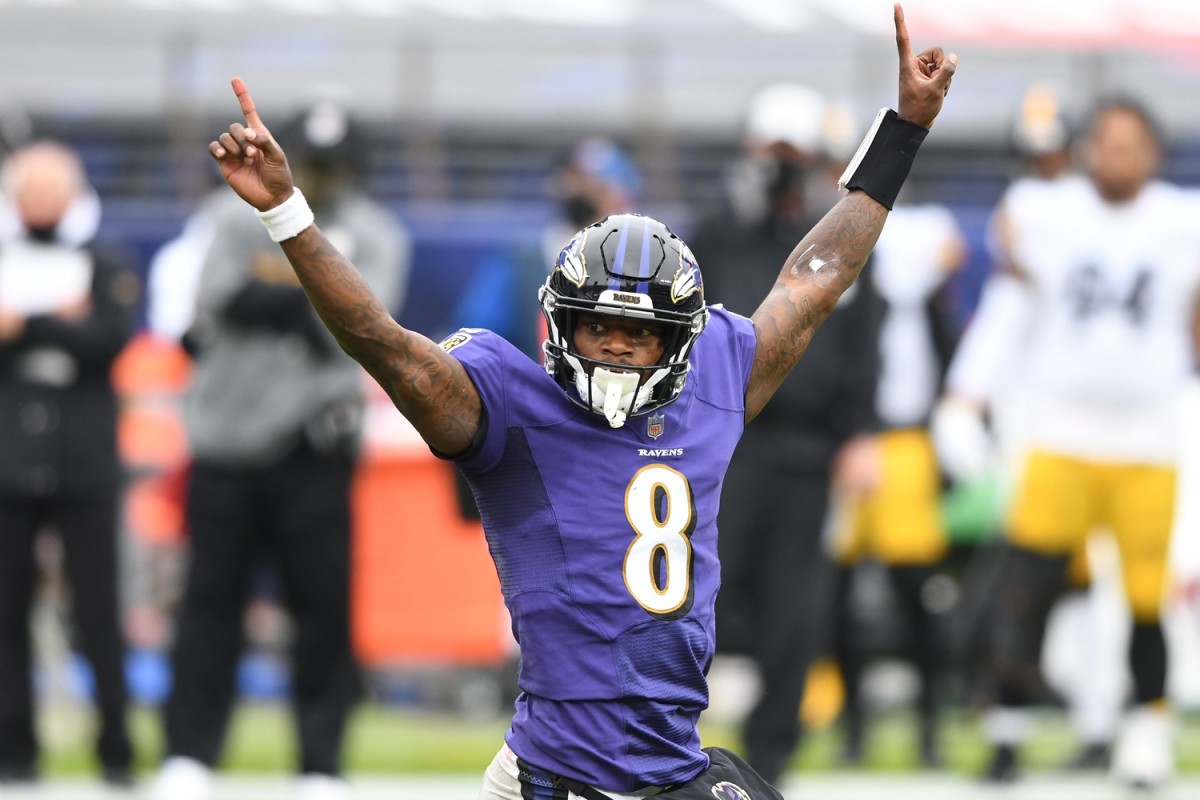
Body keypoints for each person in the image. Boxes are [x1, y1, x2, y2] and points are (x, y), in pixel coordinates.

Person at [203, 6, 953, 796]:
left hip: (665, 762)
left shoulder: (718, 380)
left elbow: (817, 277)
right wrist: (288, 215)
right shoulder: (509, 406)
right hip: (559, 772)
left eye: (642, 330)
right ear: (560, 324)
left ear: (680, 340)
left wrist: (904, 128)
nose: (621, 346)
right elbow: (383, 343)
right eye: (599, 327)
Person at [931, 96, 1195, 789]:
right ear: (1086, 150)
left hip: (1148, 438)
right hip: (1061, 432)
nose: (1118, 157)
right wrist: (967, 394)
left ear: (1155, 154)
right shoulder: (1044, 213)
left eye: (1132, 144)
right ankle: (1007, 734)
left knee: (1145, 597)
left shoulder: (1182, 220)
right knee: (1027, 589)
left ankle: (1147, 736)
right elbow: (1009, 305)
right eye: (1107, 143)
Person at [149, 100, 410, 800]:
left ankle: (320, 764)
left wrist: (279, 301)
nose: (320, 178)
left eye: (333, 166)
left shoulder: (375, 232)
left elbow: (363, 329)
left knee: (321, 608)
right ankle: (190, 754)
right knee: (209, 603)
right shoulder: (234, 216)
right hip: (226, 441)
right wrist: (312, 299)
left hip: (312, 444)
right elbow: (209, 305)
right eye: (312, 161)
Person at [687, 82, 886, 785]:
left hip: (809, 453)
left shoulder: (840, 243)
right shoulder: (712, 235)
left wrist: (862, 431)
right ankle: (666, 745)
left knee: (794, 613)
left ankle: (770, 763)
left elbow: (865, 343)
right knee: (695, 595)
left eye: (792, 154)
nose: (781, 168)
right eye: (773, 152)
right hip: (722, 448)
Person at [0, 140, 139, 787]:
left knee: (98, 608)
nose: (42, 202)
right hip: (10, 460)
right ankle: (14, 751)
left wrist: (23, 326)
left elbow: (108, 340)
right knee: (7, 610)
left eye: (54, 189)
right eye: (31, 189)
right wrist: (58, 321)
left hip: (84, 462)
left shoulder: (102, 259)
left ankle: (116, 747)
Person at [828, 197, 966, 769]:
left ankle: (929, 727)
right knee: (836, 593)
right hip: (850, 440)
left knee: (918, 591)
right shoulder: (851, 279)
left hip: (908, 439)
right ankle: (852, 726)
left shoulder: (924, 293)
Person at [451, 136, 641, 362]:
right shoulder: (521, 263)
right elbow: (474, 342)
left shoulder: (641, 268)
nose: (579, 190)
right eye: (575, 180)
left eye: (595, 185)